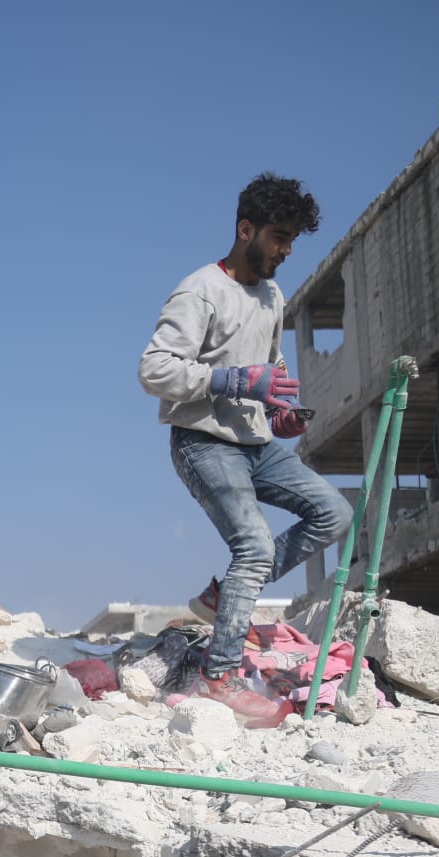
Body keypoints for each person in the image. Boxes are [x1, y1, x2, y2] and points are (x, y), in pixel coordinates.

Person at [139, 173, 352, 725]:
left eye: (291, 241)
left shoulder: (272, 294)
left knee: (334, 513)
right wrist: (232, 382)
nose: (284, 251)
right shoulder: (200, 291)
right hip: (204, 442)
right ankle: (220, 677)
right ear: (245, 229)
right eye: (278, 238)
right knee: (254, 546)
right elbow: (155, 369)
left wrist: (280, 403)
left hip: (256, 442)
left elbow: (272, 362)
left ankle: (223, 597)